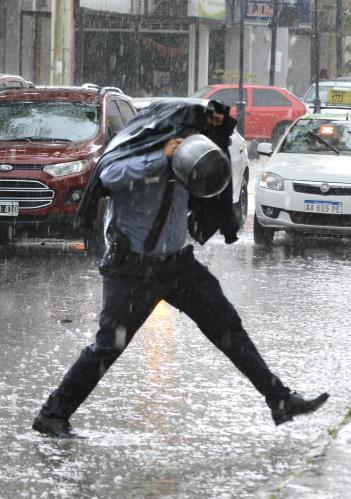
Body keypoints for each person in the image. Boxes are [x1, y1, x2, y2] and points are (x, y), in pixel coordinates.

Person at [32, 100, 328, 438]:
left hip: (177, 265)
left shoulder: (192, 155)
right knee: (107, 346)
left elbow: (214, 165)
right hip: (131, 268)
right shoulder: (135, 151)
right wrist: (162, 158)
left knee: (228, 329)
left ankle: (280, 399)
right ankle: (52, 414)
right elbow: (110, 175)